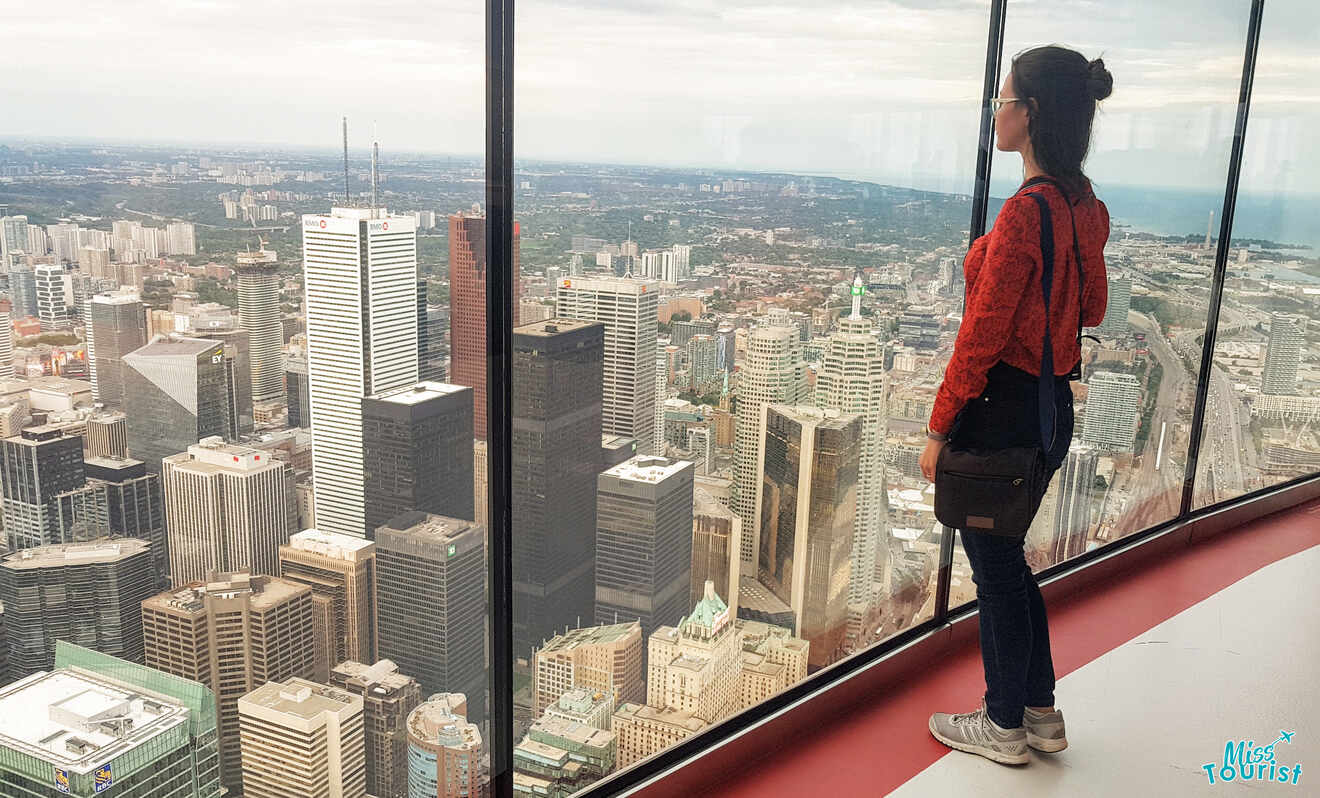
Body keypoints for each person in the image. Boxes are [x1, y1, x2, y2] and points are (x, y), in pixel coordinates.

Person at [920, 45, 1113, 766]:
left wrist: (939, 428)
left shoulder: (1025, 214)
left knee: (995, 569)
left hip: (1000, 408)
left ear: (1029, 116)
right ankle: (1039, 712)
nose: (996, 111)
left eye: (1003, 100)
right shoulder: (1082, 205)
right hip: (1051, 409)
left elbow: (980, 336)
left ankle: (1002, 723)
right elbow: (1091, 308)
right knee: (1010, 562)